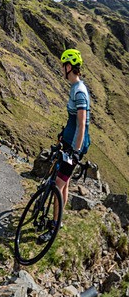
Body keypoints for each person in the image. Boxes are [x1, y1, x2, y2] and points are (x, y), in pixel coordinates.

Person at [51, 49, 91, 229]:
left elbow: (82, 125)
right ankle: (57, 221)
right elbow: (73, 120)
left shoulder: (79, 91)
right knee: (64, 184)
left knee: (57, 186)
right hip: (69, 139)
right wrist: (64, 135)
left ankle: (53, 225)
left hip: (75, 145)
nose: (61, 69)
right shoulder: (74, 88)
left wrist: (75, 152)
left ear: (69, 66)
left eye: (63, 65)